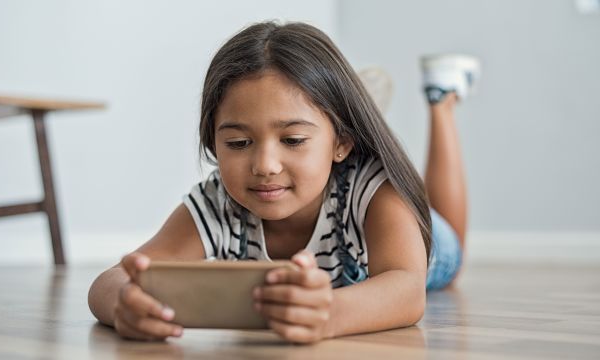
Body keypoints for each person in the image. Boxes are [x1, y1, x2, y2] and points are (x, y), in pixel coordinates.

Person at [88, 21, 480, 344]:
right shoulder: (217, 203)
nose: (264, 166)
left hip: (424, 246)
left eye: (292, 140)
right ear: (213, 141)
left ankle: (441, 100)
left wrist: (329, 314)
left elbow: (407, 290)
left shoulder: (375, 188)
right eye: (239, 143)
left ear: (343, 143)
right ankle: (340, 112)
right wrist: (125, 302)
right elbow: (112, 280)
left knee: (446, 240)